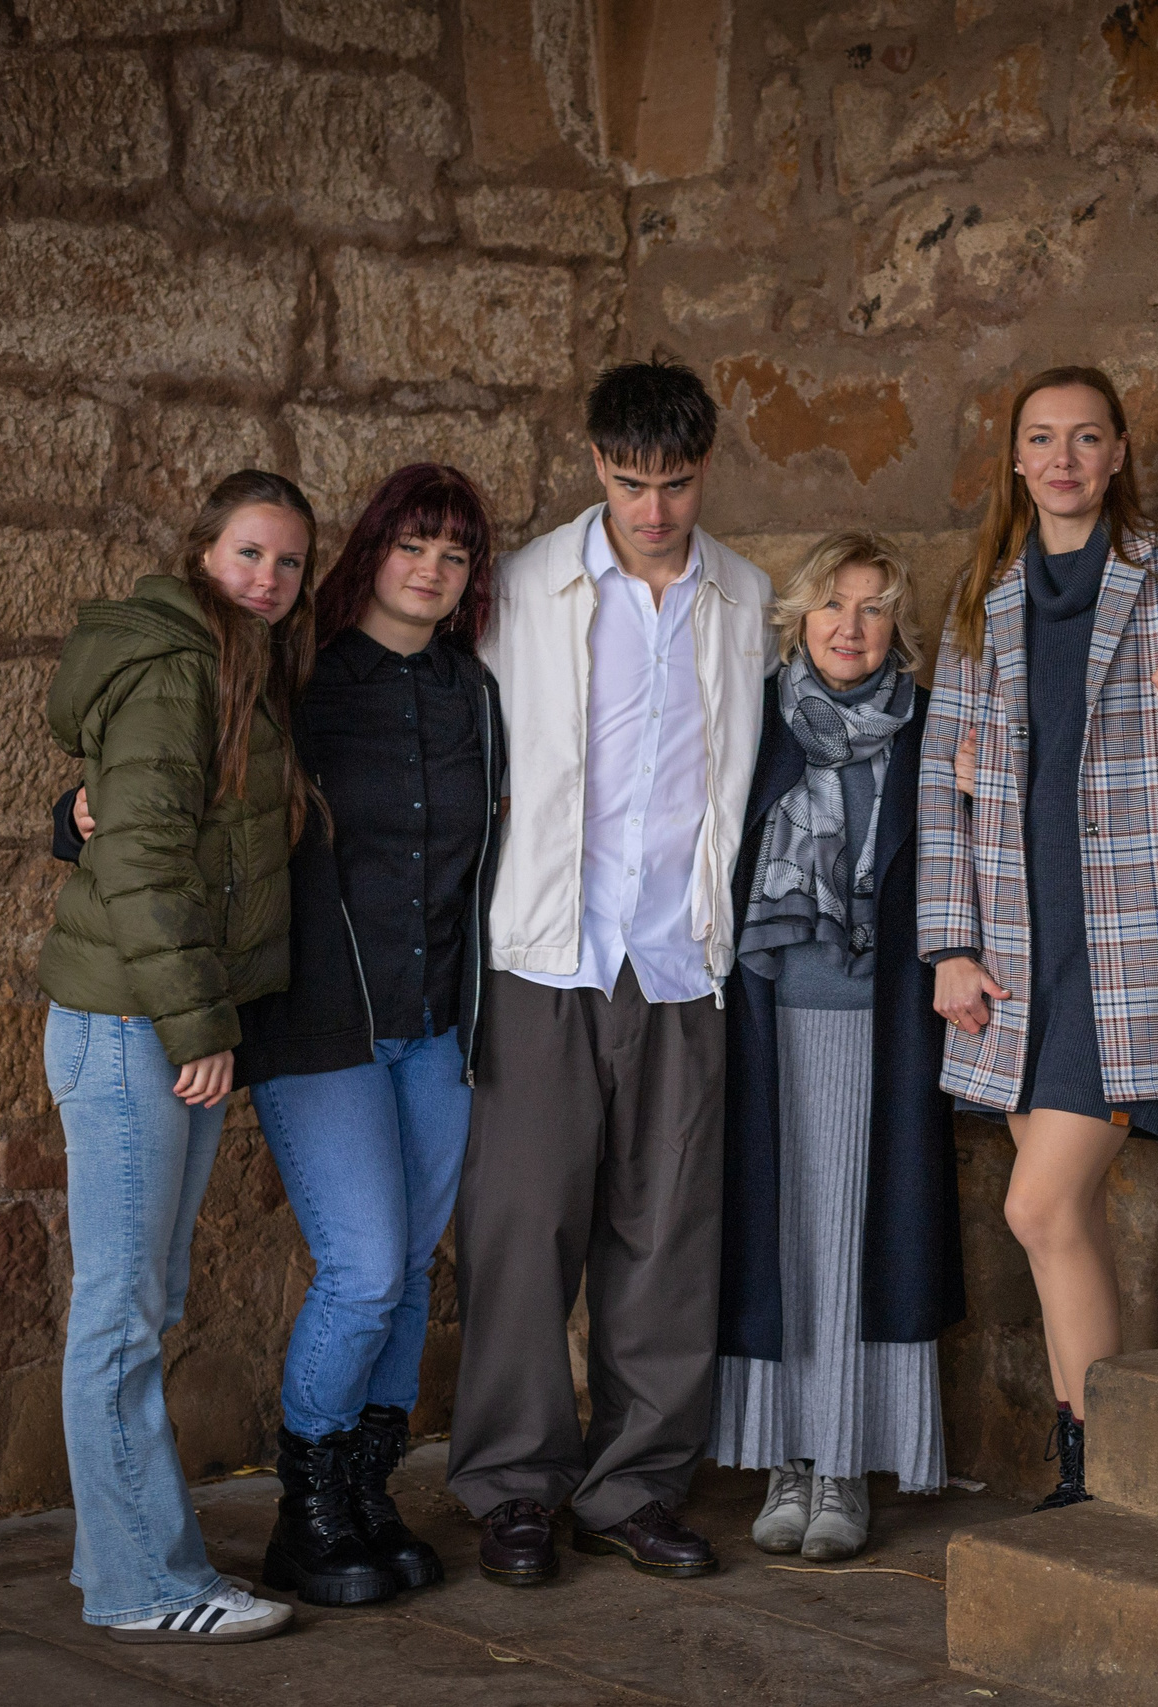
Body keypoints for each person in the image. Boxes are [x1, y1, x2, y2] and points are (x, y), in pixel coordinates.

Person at [58, 467, 508, 1609]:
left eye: (454, 556)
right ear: (368, 555)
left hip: (434, 1025)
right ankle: (305, 1507)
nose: (431, 570)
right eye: (413, 545)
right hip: (317, 1023)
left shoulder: (474, 693)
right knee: (361, 1267)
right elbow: (161, 800)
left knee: (406, 1270)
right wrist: (68, 820)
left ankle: (364, 1494)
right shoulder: (291, 675)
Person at [920, 365, 1158, 1511]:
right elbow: (942, 787)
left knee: (1036, 1203)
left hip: (1135, 942)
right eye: (1039, 439)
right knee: (1053, 1221)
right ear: (1015, 461)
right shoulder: (984, 595)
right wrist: (948, 948)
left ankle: (1098, 1456)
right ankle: (1093, 1466)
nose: (1062, 458)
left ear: (1118, 453)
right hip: (1019, 945)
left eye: (1084, 438)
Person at [447, 358, 771, 1585]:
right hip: (542, 956)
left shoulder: (744, 597)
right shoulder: (522, 588)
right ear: (594, 464)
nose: (653, 509)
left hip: (682, 963)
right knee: (522, 1231)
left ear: (704, 470)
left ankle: (637, 1487)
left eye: (677, 484)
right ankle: (515, 1489)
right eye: (631, 482)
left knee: (668, 1235)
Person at [37, 469, 315, 1643]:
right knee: (120, 1311)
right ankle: (144, 1585)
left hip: (160, 1019)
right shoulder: (177, 667)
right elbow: (144, 860)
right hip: (136, 1026)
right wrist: (198, 1025)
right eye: (250, 554)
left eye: (289, 564)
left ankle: (117, 1552)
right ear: (203, 550)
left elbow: (161, 830)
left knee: (144, 1306)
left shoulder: (237, 665)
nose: (269, 579)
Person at [712, 532, 965, 1562]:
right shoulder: (751, 724)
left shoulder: (925, 731)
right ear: (797, 620)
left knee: (864, 1241)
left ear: (896, 626)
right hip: (769, 1021)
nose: (850, 628)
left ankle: (848, 1468)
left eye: (873, 608)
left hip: (884, 1024)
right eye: (831, 606)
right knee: (786, 1243)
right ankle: (784, 1457)